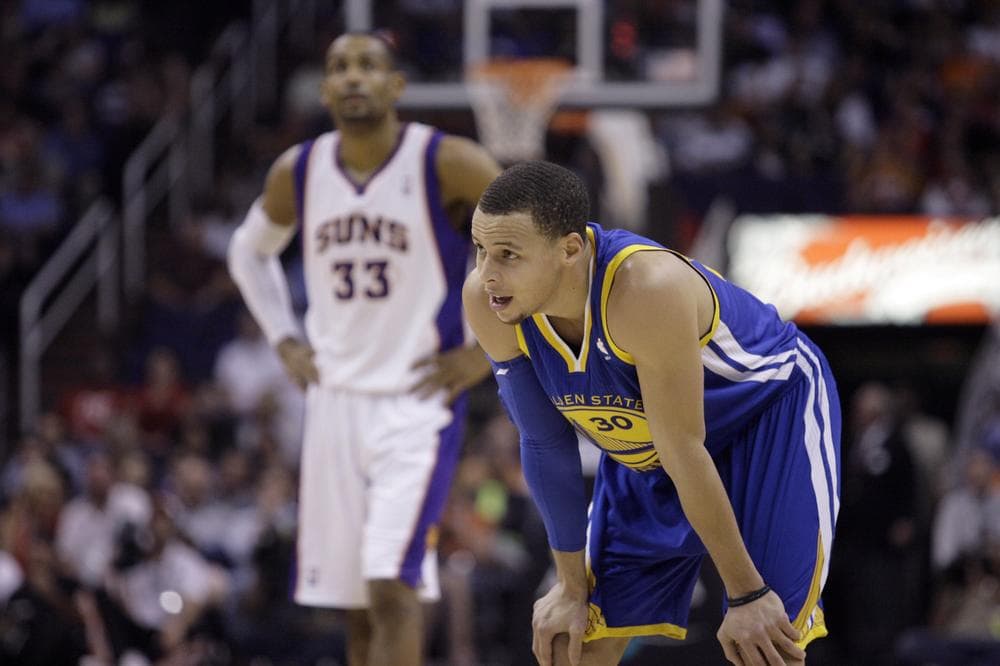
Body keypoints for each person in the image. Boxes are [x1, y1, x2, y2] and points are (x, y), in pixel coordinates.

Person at [463, 161, 841, 666]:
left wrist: (747, 594)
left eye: (508, 255)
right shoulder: (490, 302)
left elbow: (684, 447)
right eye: (481, 250)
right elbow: (544, 443)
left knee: (765, 641)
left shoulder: (644, 288)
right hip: (655, 441)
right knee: (570, 641)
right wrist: (571, 587)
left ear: (570, 249)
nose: (487, 273)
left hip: (768, 417)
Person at [226, 31, 501, 666]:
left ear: (396, 86)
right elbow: (247, 252)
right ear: (325, 90)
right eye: (340, 67)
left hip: (417, 404)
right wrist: (284, 339)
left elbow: (534, 241)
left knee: (391, 586)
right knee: (354, 609)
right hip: (333, 406)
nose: (353, 77)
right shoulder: (300, 170)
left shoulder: (445, 161)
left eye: (368, 66)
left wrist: (488, 352)